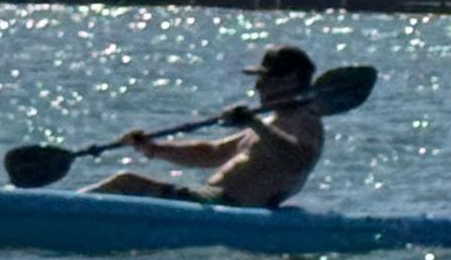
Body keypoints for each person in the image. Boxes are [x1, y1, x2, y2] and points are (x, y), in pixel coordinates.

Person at [88, 45, 326, 209]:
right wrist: (153, 148)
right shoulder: (270, 121)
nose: (258, 87)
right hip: (210, 200)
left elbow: (297, 160)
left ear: (290, 80)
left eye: (265, 79)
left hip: (230, 207)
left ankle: (56, 213)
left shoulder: (306, 121)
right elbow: (212, 153)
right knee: (126, 182)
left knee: (125, 182)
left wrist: (253, 123)